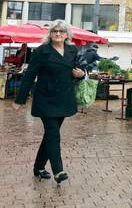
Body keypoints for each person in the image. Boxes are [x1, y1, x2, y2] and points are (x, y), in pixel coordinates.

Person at [11, 20, 87, 184]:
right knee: (53, 133)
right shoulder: (41, 51)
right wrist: (20, 100)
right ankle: (58, 170)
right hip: (45, 99)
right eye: (54, 31)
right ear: (50, 34)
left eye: (61, 31)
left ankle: (38, 167)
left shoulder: (73, 50)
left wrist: (82, 74)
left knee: (50, 135)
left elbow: (80, 68)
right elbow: (29, 76)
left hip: (64, 99)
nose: (58, 34)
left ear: (67, 34)